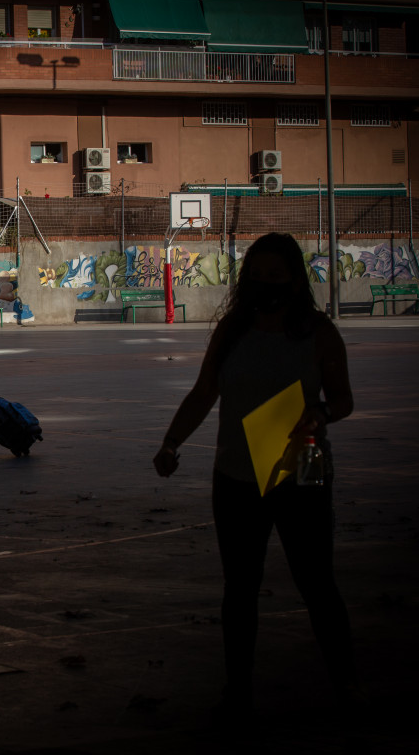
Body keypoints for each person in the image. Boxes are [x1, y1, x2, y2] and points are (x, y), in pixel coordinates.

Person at [151, 232, 361, 722]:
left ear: (293, 279)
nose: (268, 283)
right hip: (237, 476)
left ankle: (348, 685)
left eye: (277, 275)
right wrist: (170, 442)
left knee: (317, 584)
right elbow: (204, 393)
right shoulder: (232, 332)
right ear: (246, 281)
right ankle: (238, 690)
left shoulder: (319, 333)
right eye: (259, 275)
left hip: (300, 472)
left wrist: (322, 414)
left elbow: (344, 399)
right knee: (240, 589)